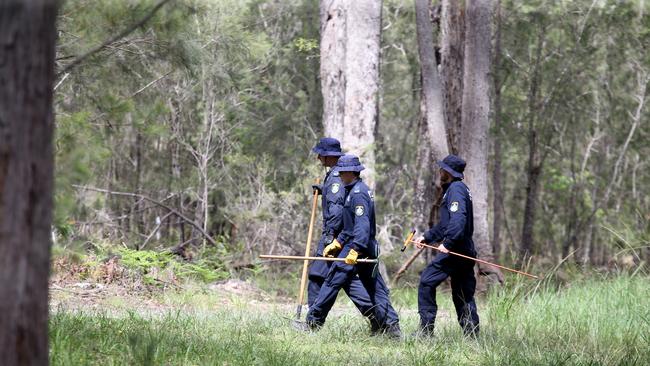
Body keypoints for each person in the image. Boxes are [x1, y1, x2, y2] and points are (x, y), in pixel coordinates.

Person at [301, 154, 401, 338]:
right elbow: (350, 226)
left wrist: (354, 249)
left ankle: (312, 323)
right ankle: (391, 328)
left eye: (341, 173)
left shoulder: (359, 194)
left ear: (350, 173)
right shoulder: (351, 190)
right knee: (374, 288)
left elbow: (362, 226)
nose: (338, 176)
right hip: (356, 244)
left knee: (332, 282)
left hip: (359, 247)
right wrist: (337, 243)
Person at [416, 154, 480, 338]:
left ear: (448, 172)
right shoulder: (458, 189)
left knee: (427, 281)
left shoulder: (456, 190)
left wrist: (448, 243)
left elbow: (458, 221)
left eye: (442, 169)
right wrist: (427, 237)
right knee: (462, 293)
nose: (440, 171)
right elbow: (445, 225)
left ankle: (426, 332)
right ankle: (472, 336)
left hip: (455, 251)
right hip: (464, 249)